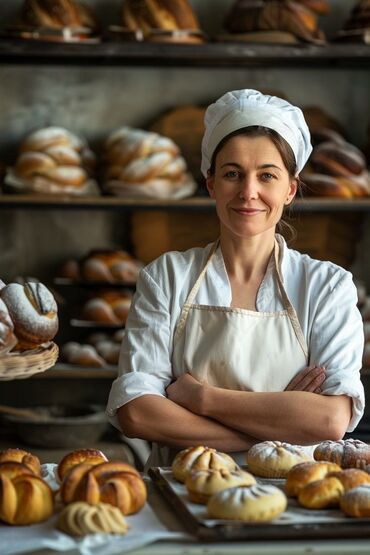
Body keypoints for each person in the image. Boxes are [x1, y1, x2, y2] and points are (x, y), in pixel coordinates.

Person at [106, 89, 365, 469]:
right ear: (211, 184)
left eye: (267, 176)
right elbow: (137, 414)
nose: (248, 192)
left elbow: (329, 420)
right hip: (184, 491)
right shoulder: (167, 277)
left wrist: (201, 399)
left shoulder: (326, 287)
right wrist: (278, 427)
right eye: (232, 174)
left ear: (290, 189)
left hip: (294, 494)